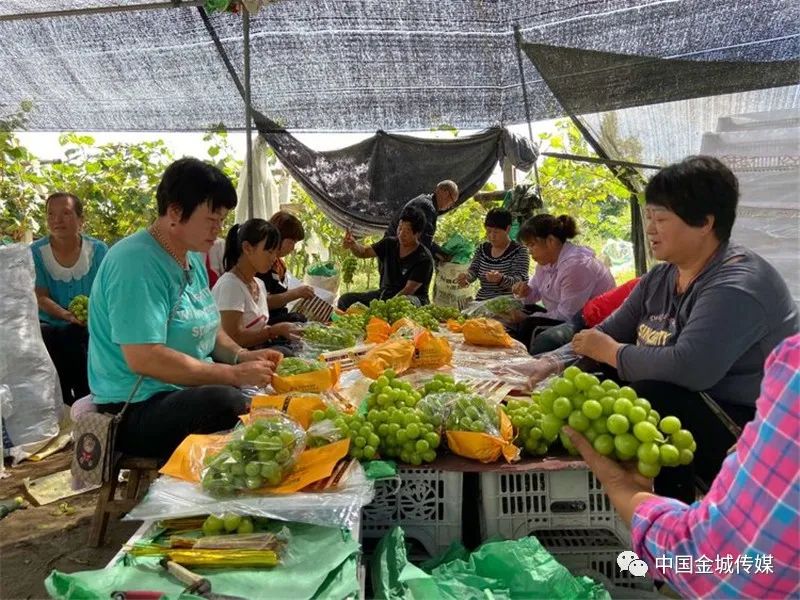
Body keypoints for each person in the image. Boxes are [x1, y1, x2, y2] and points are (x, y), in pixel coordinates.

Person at [525, 156, 799, 501]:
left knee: (651, 393)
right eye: (649, 217)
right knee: (605, 385)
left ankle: (678, 516)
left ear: (704, 223)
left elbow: (690, 367)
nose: (650, 229)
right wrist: (549, 364)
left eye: (661, 219)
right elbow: (609, 330)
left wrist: (610, 352)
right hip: (690, 406)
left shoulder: (737, 285)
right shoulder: (661, 277)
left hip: (748, 432)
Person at [564, 333, 799, 599]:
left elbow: (720, 569)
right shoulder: (658, 289)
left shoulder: (793, 367)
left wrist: (627, 494)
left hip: (726, 416)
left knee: (654, 393)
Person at [88, 158, 280, 460]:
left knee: (271, 376)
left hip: (182, 391)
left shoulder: (190, 260)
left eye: (222, 220)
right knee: (227, 401)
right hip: (137, 407)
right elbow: (144, 357)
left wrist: (243, 356)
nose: (218, 230)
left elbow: (211, 329)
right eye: (211, 220)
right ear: (175, 212)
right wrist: (231, 374)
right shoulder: (135, 262)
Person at [31, 192, 108, 405]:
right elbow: (40, 296)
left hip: (90, 323)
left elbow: (106, 292)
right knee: (63, 336)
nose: (57, 220)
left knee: (80, 338)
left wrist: (90, 315)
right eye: (51, 214)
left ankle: (91, 406)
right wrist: (67, 315)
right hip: (52, 327)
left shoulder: (98, 250)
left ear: (81, 220)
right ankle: (66, 407)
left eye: (65, 213)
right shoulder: (36, 252)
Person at [510, 213, 615, 352]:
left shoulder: (576, 266)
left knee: (529, 323)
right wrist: (526, 291)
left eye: (532, 245)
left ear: (550, 241)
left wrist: (527, 317)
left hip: (593, 323)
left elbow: (567, 315)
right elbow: (534, 294)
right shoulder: (545, 263)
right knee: (524, 310)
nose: (530, 252)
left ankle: (529, 364)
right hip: (568, 315)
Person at [213, 219, 299, 355]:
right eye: (269, 252)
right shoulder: (230, 286)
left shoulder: (259, 284)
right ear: (247, 248)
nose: (274, 258)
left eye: (275, 253)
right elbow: (233, 338)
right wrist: (275, 330)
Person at [338, 205, 434, 310]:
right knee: (345, 300)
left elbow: (408, 290)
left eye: (406, 231)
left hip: (411, 300)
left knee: (404, 303)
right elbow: (363, 252)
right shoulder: (389, 243)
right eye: (400, 228)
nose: (401, 234)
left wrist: (385, 308)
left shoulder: (423, 258)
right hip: (385, 295)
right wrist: (352, 244)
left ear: (417, 234)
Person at [529, 277, 641, 355]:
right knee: (547, 341)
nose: (530, 251)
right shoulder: (648, 283)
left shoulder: (578, 264)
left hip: (605, 330)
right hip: (586, 318)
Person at [455, 208, 530, 301]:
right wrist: (466, 277)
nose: (491, 236)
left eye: (496, 232)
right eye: (489, 231)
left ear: (507, 229)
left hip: (508, 303)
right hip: (482, 300)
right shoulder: (482, 249)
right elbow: (473, 271)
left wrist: (501, 279)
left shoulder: (519, 251)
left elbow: (520, 281)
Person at [256, 211, 315, 324]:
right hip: (264, 322)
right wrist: (295, 294)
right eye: (291, 242)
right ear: (278, 237)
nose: (292, 248)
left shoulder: (280, 265)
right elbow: (261, 302)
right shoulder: (262, 265)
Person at [384, 180, 458, 262]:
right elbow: (423, 241)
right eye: (452, 201)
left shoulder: (426, 203)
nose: (450, 206)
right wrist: (443, 255)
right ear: (444, 192)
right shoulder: (426, 207)